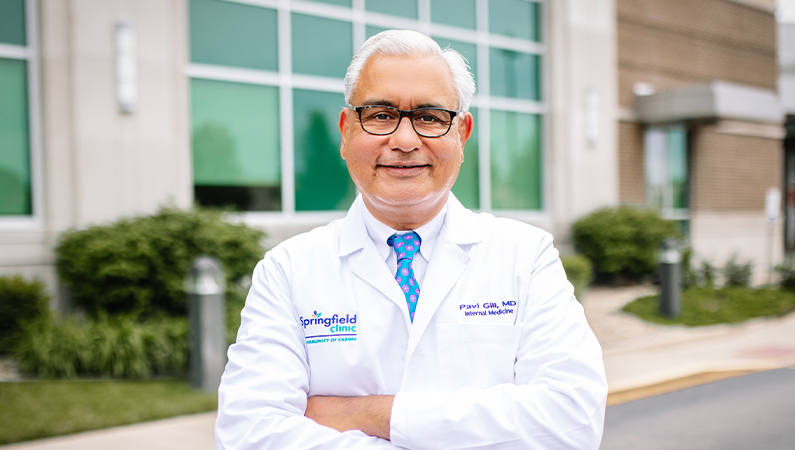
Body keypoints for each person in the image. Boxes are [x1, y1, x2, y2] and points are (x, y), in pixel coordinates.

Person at [216, 30, 607, 450]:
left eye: (430, 117)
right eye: (381, 115)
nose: (404, 141)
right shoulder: (288, 270)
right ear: (346, 132)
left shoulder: (525, 257)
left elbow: (572, 420)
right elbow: (248, 434)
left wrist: (367, 414)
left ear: (462, 134)